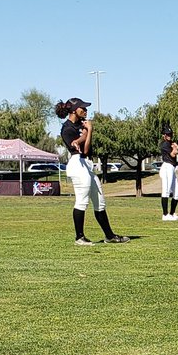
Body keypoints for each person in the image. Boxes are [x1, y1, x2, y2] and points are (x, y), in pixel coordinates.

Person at [55, 97, 130, 246]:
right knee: (82, 202)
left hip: (87, 164)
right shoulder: (67, 128)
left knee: (100, 202)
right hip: (78, 164)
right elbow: (85, 149)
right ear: (74, 110)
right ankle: (79, 237)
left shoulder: (80, 125)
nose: (86, 110)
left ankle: (109, 236)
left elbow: (86, 147)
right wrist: (89, 131)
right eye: (82, 107)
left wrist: (86, 131)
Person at [158, 127, 178, 221]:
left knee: (177, 193)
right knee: (166, 191)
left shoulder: (170, 143)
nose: (169, 136)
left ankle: (172, 214)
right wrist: (176, 148)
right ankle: (165, 215)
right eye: (167, 134)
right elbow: (173, 154)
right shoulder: (165, 144)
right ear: (164, 135)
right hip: (167, 167)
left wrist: (174, 146)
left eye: (170, 134)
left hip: (172, 168)